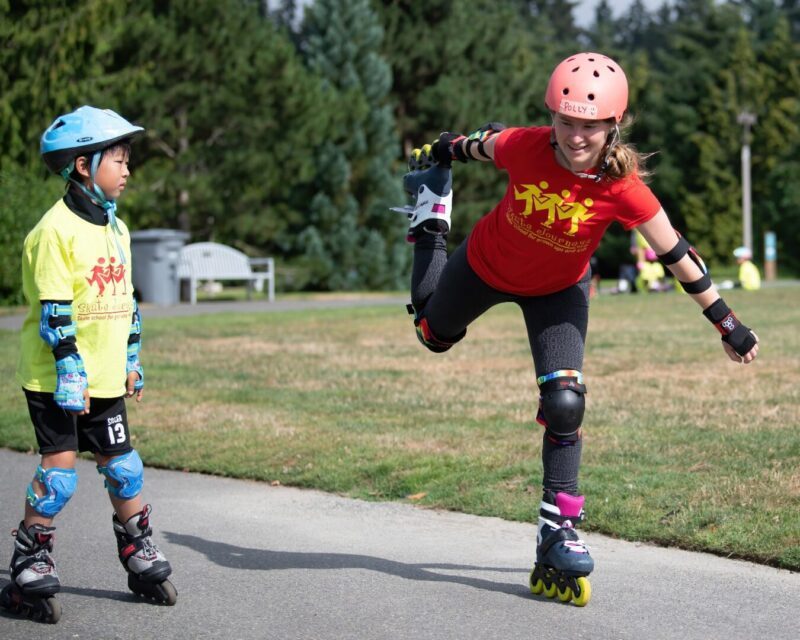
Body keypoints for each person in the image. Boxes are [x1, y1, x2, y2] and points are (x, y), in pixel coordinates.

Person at [394, 52, 759, 607]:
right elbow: (481, 142)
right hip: (484, 266)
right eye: (565, 122)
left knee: (565, 403)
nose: (574, 136)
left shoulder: (624, 186)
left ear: (614, 126)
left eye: (589, 126)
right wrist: (448, 150)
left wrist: (727, 323)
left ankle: (558, 529)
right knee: (431, 333)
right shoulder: (526, 145)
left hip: (559, 294)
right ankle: (431, 219)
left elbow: (678, 254)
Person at [1, 106, 177, 624]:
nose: (127, 170)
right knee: (59, 476)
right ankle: (29, 560)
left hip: (104, 380)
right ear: (83, 165)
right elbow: (54, 312)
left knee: (123, 468)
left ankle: (139, 549)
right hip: (56, 381)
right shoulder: (53, 232)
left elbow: (127, 302)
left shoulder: (117, 230)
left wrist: (130, 358)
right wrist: (69, 369)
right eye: (118, 160)